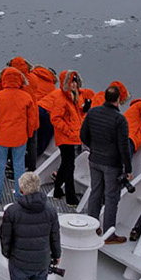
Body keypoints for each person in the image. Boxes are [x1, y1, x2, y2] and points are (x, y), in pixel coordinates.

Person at [1, 172, 61, 280]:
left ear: (21, 189)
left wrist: (8, 254)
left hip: (19, 262)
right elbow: (55, 236)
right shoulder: (50, 210)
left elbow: (6, 238)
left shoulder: (13, 211)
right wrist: (56, 255)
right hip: (41, 262)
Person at [80, 85, 134, 240]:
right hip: (111, 163)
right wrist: (128, 169)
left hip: (95, 158)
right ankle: (109, 234)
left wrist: (94, 147)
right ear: (118, 99)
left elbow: (83, 135)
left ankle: (91, 227)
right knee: (111, 197)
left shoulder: (93, 112)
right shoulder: (119, 119)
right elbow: (123, 147)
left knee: (95, 191)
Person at [0, 65, 35, 204]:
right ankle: (19, 195)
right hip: (20, 137)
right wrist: (29, 134)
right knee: (19, 166)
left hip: (2, 136)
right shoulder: (26, 97)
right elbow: (32, 120)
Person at [41, 70, 87, 204]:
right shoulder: (62, 99)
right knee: (69, 165)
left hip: (72, 136)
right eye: (71, 81)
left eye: (75, 81)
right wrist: (69, 131)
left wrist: (85, 109)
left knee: (66, 164)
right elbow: (55, 118)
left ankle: (57, 190)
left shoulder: (74, 96)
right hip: (66, 137)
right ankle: (70, 197)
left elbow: (77, 115)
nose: (73, 84)